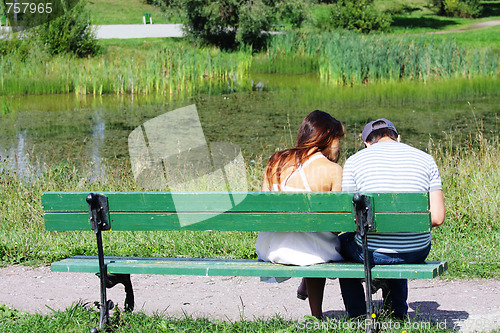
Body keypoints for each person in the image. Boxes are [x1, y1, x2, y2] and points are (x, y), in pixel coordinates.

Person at [339, 118, 445, 319]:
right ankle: (397, 312)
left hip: (371, 251)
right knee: (400, 241)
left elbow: (352, 220)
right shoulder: (426, 159)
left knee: (343, 245)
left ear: (367, 143)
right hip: (416, 250)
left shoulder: (354, 161)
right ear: (398, 138)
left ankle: (358, 315)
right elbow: (438, 217)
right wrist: (404, 224)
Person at [256, 110, 345, 319]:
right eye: (338, 140)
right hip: (313, 252)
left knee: (309, 239)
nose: (340, 146)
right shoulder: (333, 170)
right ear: (327, 137)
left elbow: (264, 211)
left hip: (273, 248)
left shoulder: (275, 162)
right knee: (316, 243)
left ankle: (307, 287)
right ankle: (316, 314)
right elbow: (337, 225)